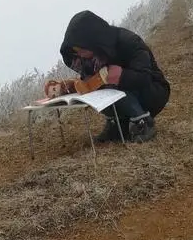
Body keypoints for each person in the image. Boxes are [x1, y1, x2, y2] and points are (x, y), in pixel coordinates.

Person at [59, 10, 170, 143]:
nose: (80, 55)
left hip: (153, 91)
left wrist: (122, 76)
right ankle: (117, 124)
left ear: (93, 42)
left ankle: (143, 122)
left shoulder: (129, 41)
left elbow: (145, 77)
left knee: (113, 86)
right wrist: (70, 86)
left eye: (82, 50)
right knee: (99, 89)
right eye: (76, 51)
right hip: (124, 92)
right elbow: (91, 80)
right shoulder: (88, 57)